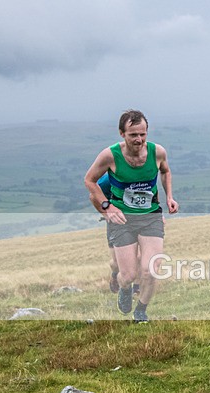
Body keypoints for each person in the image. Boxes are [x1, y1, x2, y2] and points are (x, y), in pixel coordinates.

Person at [84, 110, 179, 323]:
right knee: (127, 276)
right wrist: (107, 208)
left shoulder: (157, 152)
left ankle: (141, 311)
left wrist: (169, 197)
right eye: (133, 135)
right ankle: (124, 289)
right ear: (122, 133)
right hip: (122, 220)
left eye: (142, 134)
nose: (139, 139)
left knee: (151, 269)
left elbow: (165, 171)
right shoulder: (110, 155)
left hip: (150, 216)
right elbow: (89, 181)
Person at [91, 172, 141, 295]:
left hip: (138, 219)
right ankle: (115, 274)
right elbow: (93, 197)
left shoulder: (143, 173)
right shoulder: (108, 180)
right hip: (117, 222)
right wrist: (106, 214)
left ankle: (137, 289)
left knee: (139, 256)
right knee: (117, 262)